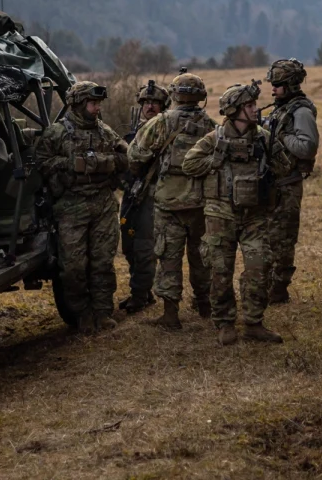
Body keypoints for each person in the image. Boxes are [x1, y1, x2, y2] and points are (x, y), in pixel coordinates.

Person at [182, 81, 293, 345]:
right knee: (220, 271)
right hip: (221, 214)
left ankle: (254, 322)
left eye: (254, 104)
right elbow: (189, 163)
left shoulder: (264, 137)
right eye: (250, 105)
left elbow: (284, 167)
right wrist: (216, 161)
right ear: (234, 110)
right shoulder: (215, 138)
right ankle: (225, 322)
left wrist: (267, 170)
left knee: (259, 268)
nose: (256, 109)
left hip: (255, 216)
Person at [36, 81, 130, 334]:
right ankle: (82, 314)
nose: (97, 108)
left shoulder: (105, 132)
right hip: (70, 207)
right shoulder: (56, 133)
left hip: (103, 204)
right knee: (74, 267)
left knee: (102, 263)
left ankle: (102, 312)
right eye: (93, 103)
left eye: (99, 103)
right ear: (77, 104)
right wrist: (70, 164)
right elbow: (41, 166)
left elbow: (125, 158)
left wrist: (97, 163)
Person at [127, 72, 217, 329]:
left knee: (168, 257)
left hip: (168, 202)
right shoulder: (211, 125)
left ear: (174, 95)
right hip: (200, 203)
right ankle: (204, 305)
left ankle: (170, 314)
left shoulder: (162, 122)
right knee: (201, 256)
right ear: (201, 97)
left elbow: (135, 155)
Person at [262, 59, 320, 304]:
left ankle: (279, 289)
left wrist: (281, 136)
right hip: (273, 183)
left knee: (283, 238)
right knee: (268, 236)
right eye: (273, 85)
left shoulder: (301, 111)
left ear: (291, 85)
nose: (273, 89)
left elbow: (307, 147)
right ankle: (267, 285)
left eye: (277, 85)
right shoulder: (281, 108)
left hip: (288, 184)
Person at [118, 80, 170, 314]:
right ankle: (143, 291)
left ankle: (139, 294)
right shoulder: (132, 133)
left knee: (144, 248)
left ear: (163, 107)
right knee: (128, 246)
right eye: (146, 102)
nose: (150, 107)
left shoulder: (167, 134)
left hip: (152, 199)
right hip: (131, 199)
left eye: (155, 103)